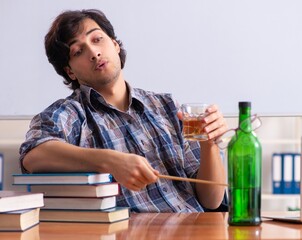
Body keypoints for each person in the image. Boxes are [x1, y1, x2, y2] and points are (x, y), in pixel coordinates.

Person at [19, 9, 228, 213]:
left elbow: (211, 200)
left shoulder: (168, 106)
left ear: (115, 45)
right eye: (78, 51)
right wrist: (110, 161)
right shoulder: (70, 114)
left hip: (196, 228)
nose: (93, 52)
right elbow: (32, 155)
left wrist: (208, 145)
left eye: (97, 39)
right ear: (70, 71)